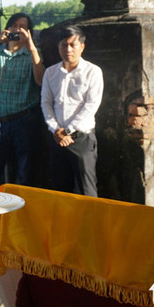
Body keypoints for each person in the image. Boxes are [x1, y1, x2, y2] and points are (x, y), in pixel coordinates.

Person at [0, 13, 46, 190]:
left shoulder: (32, 54)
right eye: (14, 25)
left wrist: (32, 49)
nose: (18, 30)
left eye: (23, 26)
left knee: (25, 174)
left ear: (29, 32)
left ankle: (21, 215)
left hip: (24, 121)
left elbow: (41, 81)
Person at [40, 26, 103, 197]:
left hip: (81, 138)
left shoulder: (93, 72)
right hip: (57, 137)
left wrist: (68, 131)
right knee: (60, 190)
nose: (68, 49)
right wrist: (56, 129)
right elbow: (46, 103)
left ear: (82, 47)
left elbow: (91, 105)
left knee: (87, 189)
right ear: (58, 47)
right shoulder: (50, 73)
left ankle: (89, 224)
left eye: (72, 45)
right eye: (63, 45)